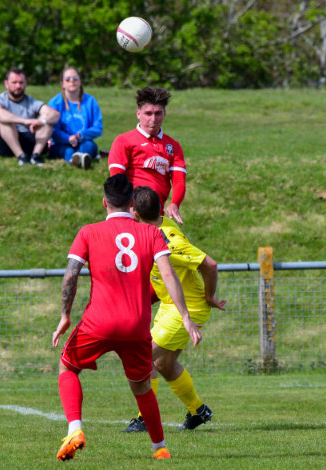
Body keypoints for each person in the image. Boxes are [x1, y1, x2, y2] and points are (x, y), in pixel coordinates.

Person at [52, 174, 202, 462]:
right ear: (132, 203)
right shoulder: (152, 233)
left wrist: (65, 316)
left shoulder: (88, 232)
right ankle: (160, 447)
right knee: (142, 386)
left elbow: (71, 274)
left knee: (67, 367)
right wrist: (185, 315)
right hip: (136, 325)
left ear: (104, 202)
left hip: (99, 323)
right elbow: (168, 274)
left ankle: (75, 430)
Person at [121, 186, 227, 434]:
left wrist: (209, 296)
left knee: (144, 357)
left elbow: (210, 265)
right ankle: (198, 410)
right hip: (171, 305)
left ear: (135, 213)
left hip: (187, 307)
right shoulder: (153, 227)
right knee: (164, 364)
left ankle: (145, 418)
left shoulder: (170, 240)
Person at [108, 87, 186, 224]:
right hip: (130, 214)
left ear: (164, 114)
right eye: (148, 113)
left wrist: (175, 204)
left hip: (156, 216)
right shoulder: (123, 141)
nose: (153, 119)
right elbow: (116, 179)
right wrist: (123, 207)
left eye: (158, 113)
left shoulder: (173, 146)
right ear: (138, 114)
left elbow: (179, 180)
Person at [0, 68, 59, 166]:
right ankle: (21, 156)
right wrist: (24, 121)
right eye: (14, 82)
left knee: (47, 122)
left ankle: (35, 156)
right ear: (6, 84)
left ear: (25, 83)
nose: (18, 86)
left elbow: (55, 114)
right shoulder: (0, 100)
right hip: (4, 144)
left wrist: (41, 122)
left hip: (28, 140)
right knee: (4, 122)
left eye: (21, 82)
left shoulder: (31, 102)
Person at [47, 66, 103, 170]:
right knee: (68, 151)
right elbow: (52, 130)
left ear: (80, 81)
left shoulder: (90, 101)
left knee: (89, 146)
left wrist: (81, 135)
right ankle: (78, 159)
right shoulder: (55, 103)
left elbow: (98, 128)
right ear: (63, 84)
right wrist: (67, 138)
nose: (72, 81)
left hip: (84, 141)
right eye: (67, 79)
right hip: (61, 143)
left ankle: (78, 159)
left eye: (75, 78)